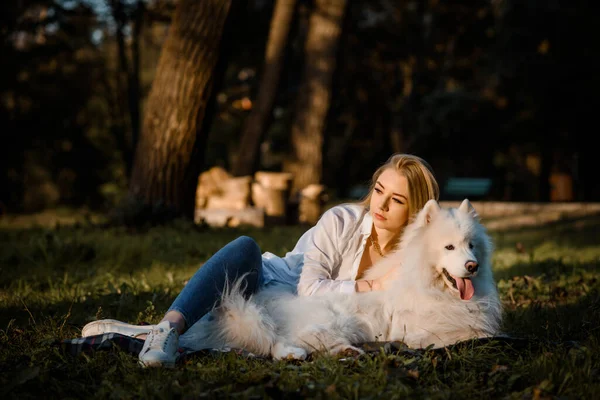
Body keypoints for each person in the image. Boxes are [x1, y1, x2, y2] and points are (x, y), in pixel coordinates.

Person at [81, 153, 440, 367]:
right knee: (245, 245)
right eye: (379, 190)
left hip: (293, 321)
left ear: (415, 210)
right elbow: (311, 288)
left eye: (397, 199)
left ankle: (141, 334)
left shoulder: (411, 255)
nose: (381, 204)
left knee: (206, 337)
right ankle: (167, 328)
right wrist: (372, 285)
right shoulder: (342, 220)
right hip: (264, 283)